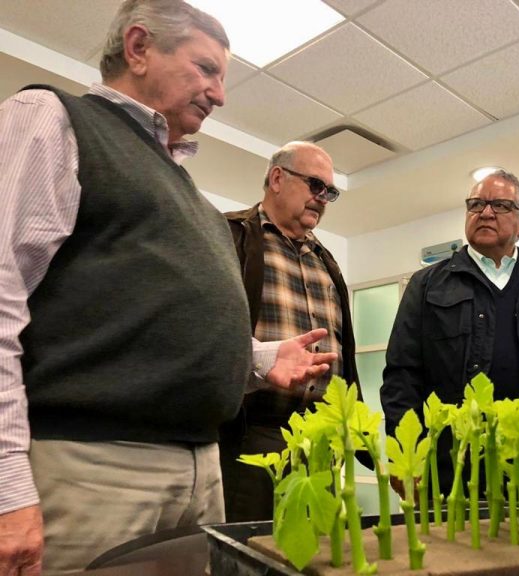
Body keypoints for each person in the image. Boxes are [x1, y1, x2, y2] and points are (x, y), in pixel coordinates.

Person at [0, 2, 336, 574]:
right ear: (138, 48)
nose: (220, 94)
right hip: (96, 467)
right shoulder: (51, 117)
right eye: (207, 69)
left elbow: (138, 326)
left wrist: (256, 360)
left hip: (201, 469)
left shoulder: (189, 194)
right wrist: (8, 487)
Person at [380, 169, 519, 496]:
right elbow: (402, 375)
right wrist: (405, 452)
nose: (484, 212)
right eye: (476, 204)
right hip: (453, 463)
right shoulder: (427, 285)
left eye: (500, 206)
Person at [219, 141, 362, 522]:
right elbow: (207, 333)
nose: (323, 198)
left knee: (315, 558)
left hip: (320, 440)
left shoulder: (325, 260)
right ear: (277, 178)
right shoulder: (228, 236)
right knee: (252, 557)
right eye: (316, 185)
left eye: (330, 192)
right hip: (252, 436)